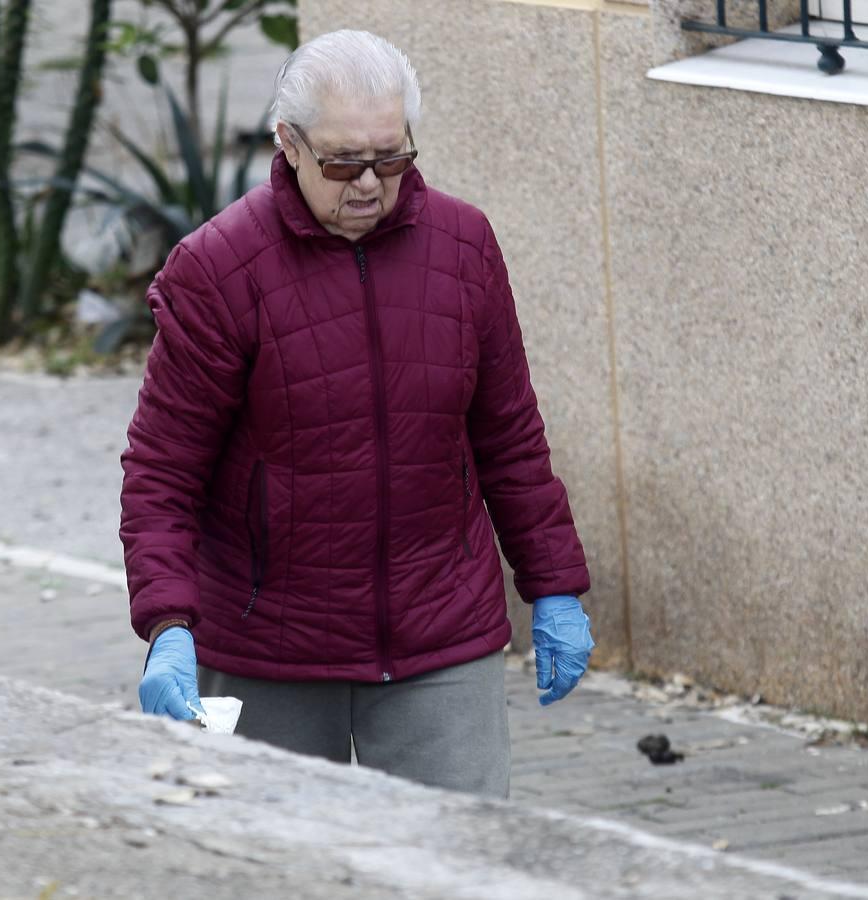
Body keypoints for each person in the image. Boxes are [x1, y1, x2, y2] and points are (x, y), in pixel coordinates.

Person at [119, 29, 594, 799]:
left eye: (393, 158)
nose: (370, 183)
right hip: (267, 647)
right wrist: (168, 626)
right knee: (273, 872)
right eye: (344, 162)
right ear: (290, 145)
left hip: (441, 634)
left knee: (460, 866)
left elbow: (508, 438)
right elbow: (162, 474)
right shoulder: (216, 271)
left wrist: (554, 587)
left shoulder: (465, 247)